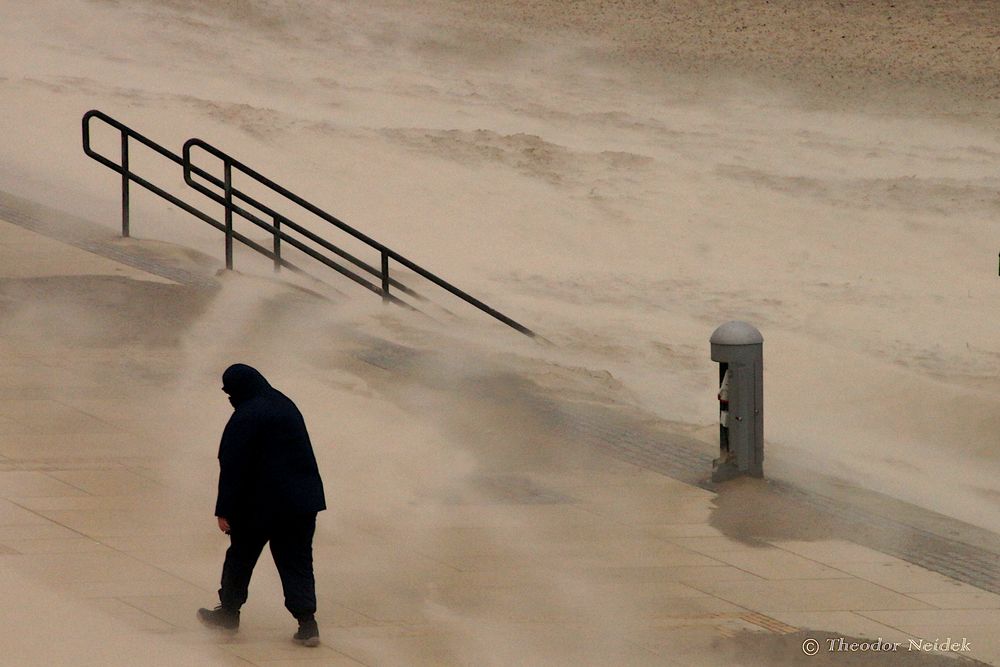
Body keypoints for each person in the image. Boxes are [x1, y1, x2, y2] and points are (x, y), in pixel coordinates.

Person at [197, 364, 326, 647]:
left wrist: (224, 510)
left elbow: (232, 466)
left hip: (259, 506)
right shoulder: (285, 404)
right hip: (301, 504)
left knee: (240, 559)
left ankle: (228, 613)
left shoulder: (246, 416)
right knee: (297, 562)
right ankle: (307, 624)